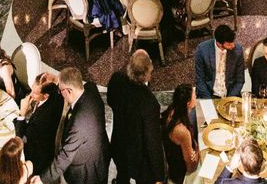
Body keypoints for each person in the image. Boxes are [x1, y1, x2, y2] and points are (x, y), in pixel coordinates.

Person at [40, 67, 109, 184]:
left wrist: (42, 180)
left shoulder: (79, 123)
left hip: (87, 172)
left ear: (69, 91)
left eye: (60, 90)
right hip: (100, 154)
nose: (60, 93)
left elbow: (65, 156)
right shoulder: (90, 89)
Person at [107, 50, 165, 184]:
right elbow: (152, 142)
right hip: (138, 157)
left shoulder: (116, 79)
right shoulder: (149, 103)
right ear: (146, 74)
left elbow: (110, 101)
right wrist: (159, 175)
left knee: (122, 175)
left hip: (119, 144)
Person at [15, 74, 64, 175]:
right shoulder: (55, 93)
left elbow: (20, 138)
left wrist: (22, 114)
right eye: (32, 89)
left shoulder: (43, 118)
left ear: (45, 95)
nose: (30, 95)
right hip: (40, 136)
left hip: (37, 155)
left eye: (35, 93)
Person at [161, 84, 198, 184]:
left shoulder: (172, 109)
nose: (196, 97)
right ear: (188, 103)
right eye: (194, 96)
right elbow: (191, 168)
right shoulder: (182, 131)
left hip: (173, 161)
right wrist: (198, 150)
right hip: (180, 174)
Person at [194, 24, 245, 98]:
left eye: (233, 42)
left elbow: (240, 80)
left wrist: (230, 98)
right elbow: (200, 80)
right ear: (219, 43)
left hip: (230, 94)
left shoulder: (238, 50)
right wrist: (209, 100)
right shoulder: (202, 50)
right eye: (229, 44)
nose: (233, 45)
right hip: (209, 94)